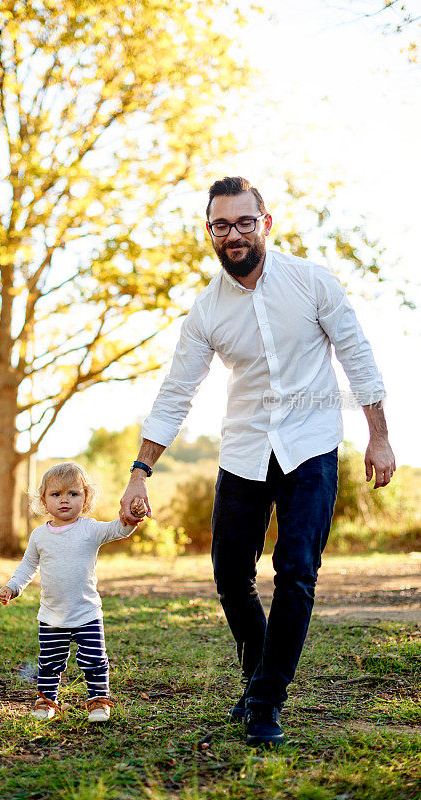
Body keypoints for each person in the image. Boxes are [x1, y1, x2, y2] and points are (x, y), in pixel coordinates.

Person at [120, 176, 395, 746]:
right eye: (222, 225)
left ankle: (266, 701)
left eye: (245, 221)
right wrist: (139, 471)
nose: (235, 234)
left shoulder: (312, 282)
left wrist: (379, 436)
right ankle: (257, 678)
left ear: (265, 223)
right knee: (228, 575)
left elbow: (357, 356)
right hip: (244, 450)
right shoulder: (206, 312)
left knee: (296, 569)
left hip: (312, 445)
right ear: (210, 233)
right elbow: (177, 391)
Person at [0, 461, 146, 723]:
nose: (64, 500)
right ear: (44, 501)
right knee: (50, 663)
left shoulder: (90, 529)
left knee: (94, 660)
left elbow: (118, 529)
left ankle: (98, 701)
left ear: (85, 497)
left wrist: (133, 517)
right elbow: (28, 566)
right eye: (56, 494)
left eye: (73, 494)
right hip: (52, 615)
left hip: (87, 612)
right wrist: (13, 587)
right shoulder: (39, 536)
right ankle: (46, 702)